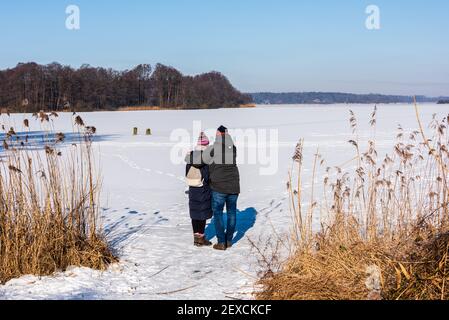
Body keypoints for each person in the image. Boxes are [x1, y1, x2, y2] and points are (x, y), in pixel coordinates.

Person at [202, 125, 240, 251]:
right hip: (234, 185)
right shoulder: (233, 148)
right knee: (232, 213)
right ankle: (229, 240)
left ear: (218, 134)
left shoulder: (214, 148)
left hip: (219, 186)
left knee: (217, 213)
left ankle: (221, 242)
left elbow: (204, 160)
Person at [185, 132, 213, 247]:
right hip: (203, 189)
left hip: (192, 188)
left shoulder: (190, 156)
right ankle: (201, 239)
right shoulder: (206, 158)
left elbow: (187, 172)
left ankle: (196, 238)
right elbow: (207, 175)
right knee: (202, 214)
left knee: (195, 214)